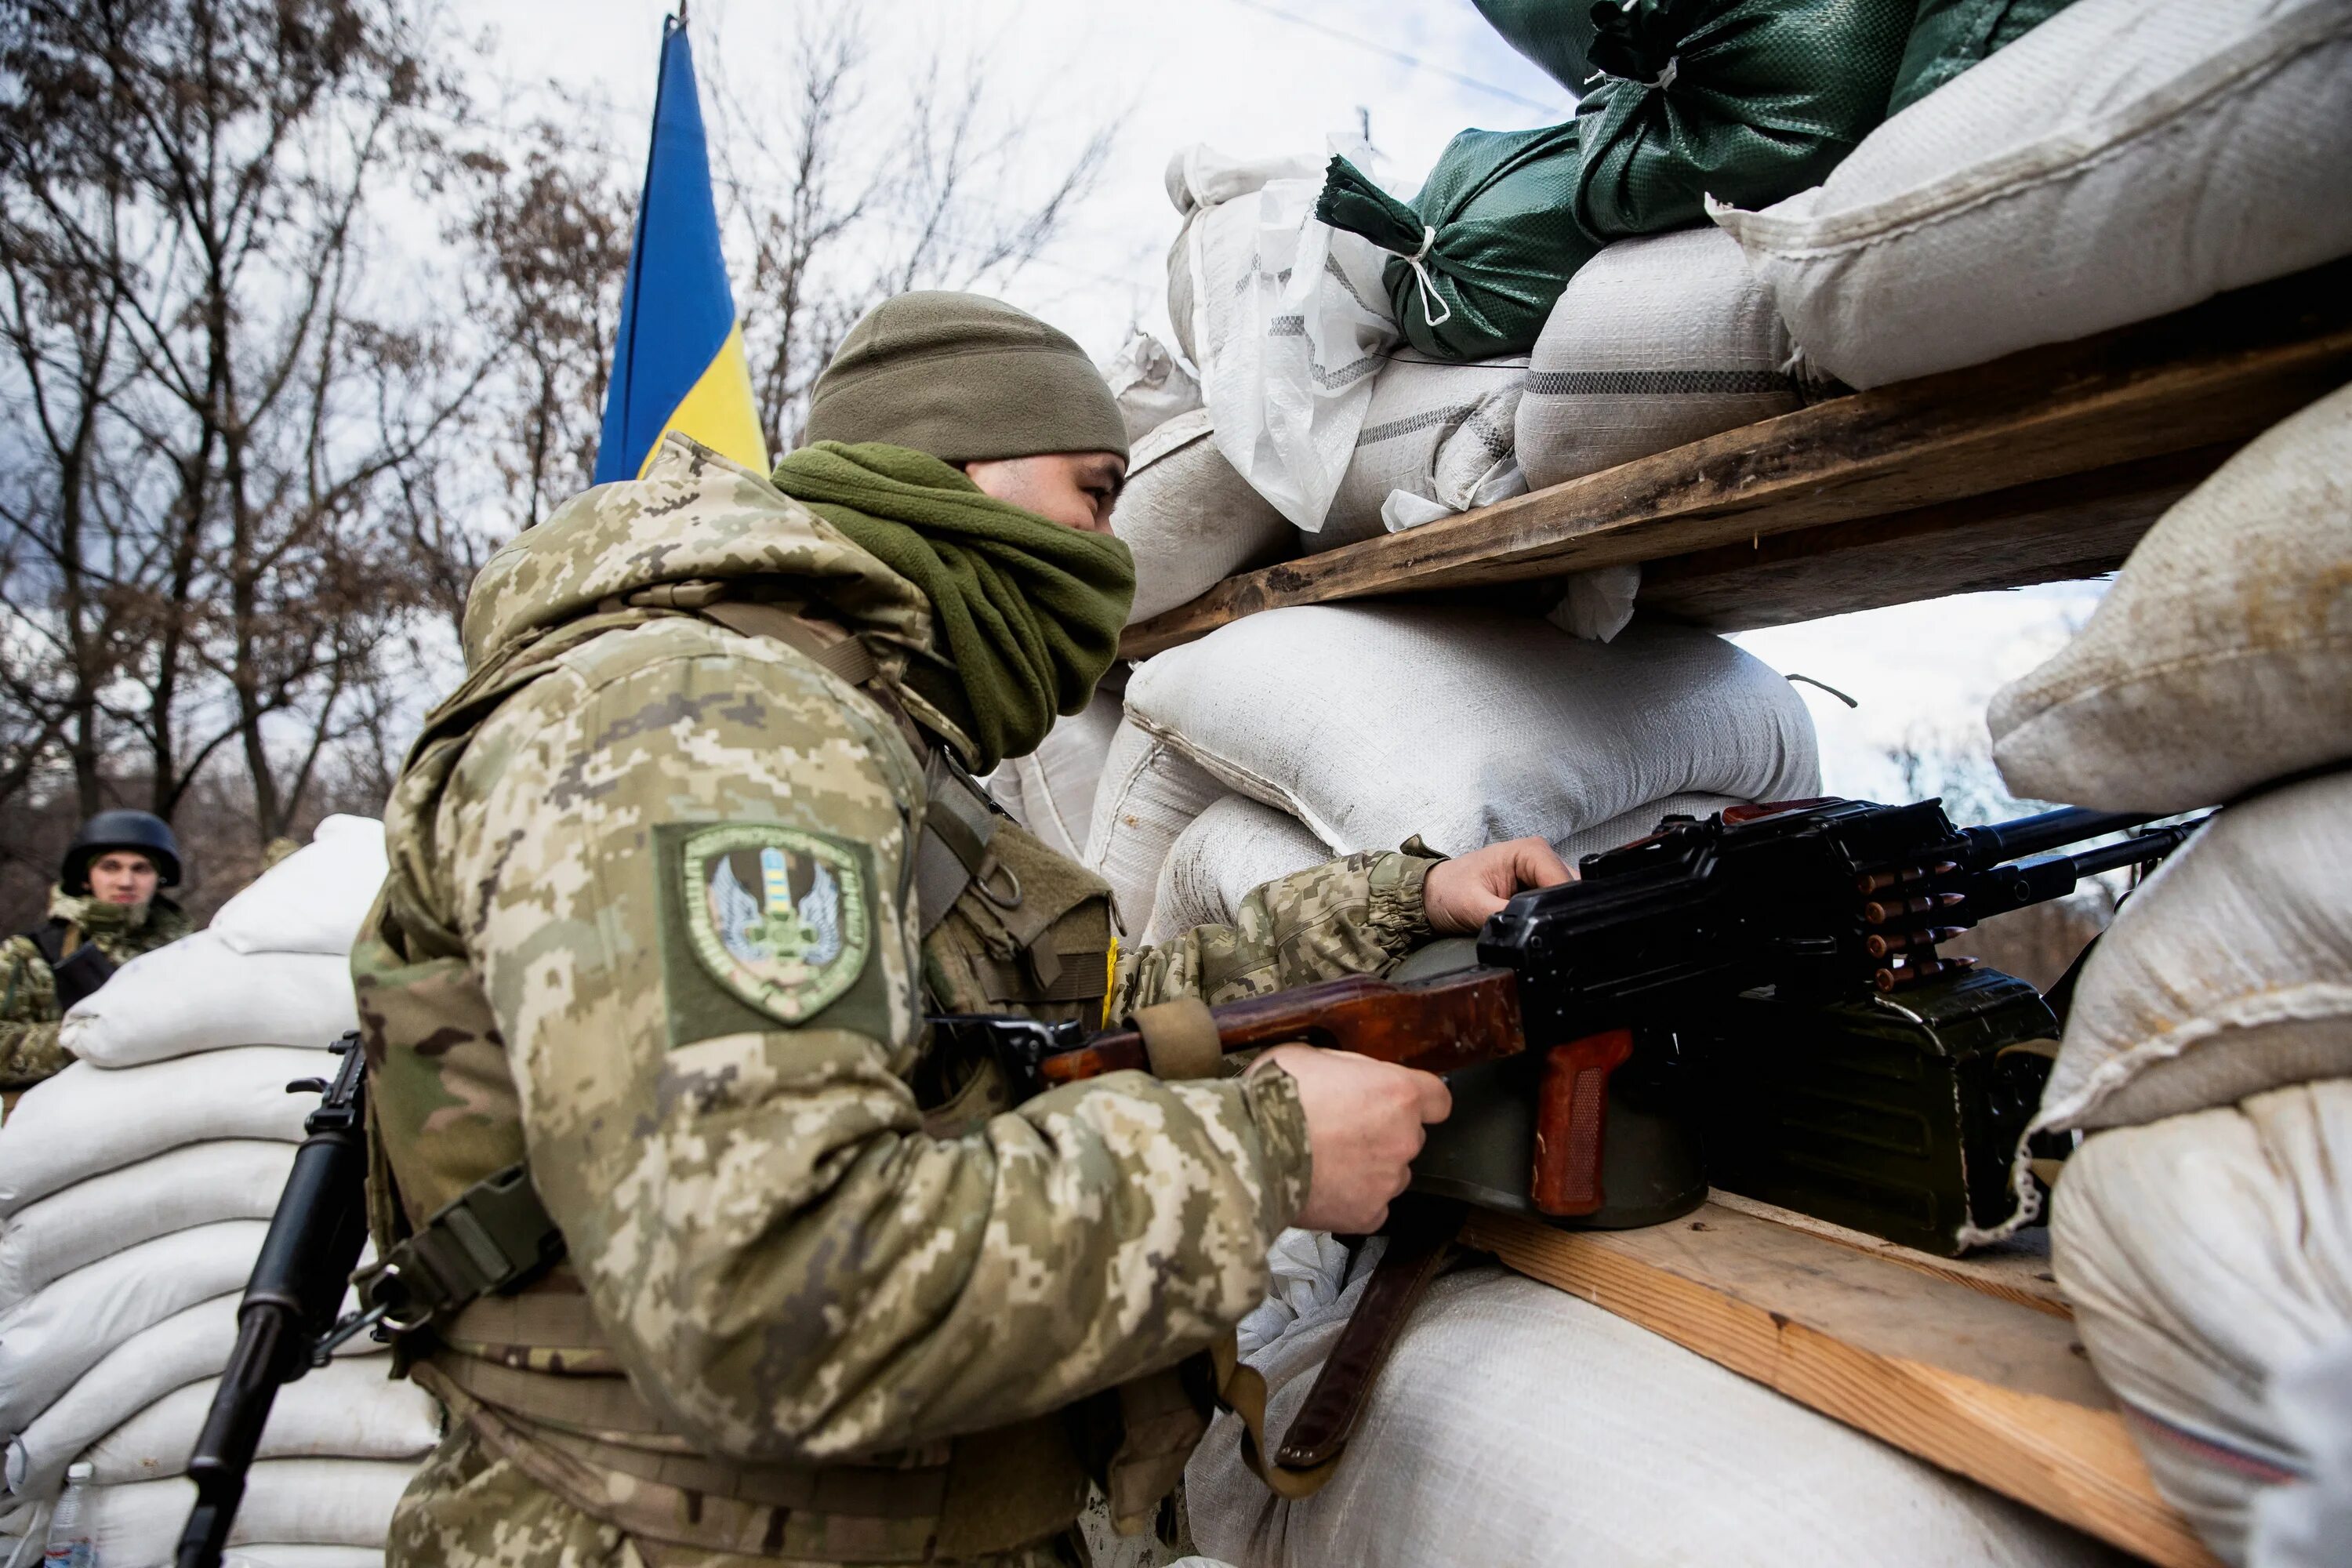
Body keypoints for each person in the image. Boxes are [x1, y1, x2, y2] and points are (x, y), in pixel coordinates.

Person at [359, 292, 1573, 1567]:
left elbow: (1074, 1016)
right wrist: (1261, 1156)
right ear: (949, 469)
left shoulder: (860, 741)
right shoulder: (714, 726)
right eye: (1093, 492)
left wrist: (1403, 902)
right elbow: (762, 1292)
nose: (1110, 551)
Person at [0, 810, 193, 1090]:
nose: (126, 881)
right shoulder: (31, 955)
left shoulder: (189, 953)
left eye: (141, 869)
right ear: (86, 877)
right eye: (110, 867)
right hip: (59, 1116)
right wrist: (78, 1040)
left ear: (159, 879)